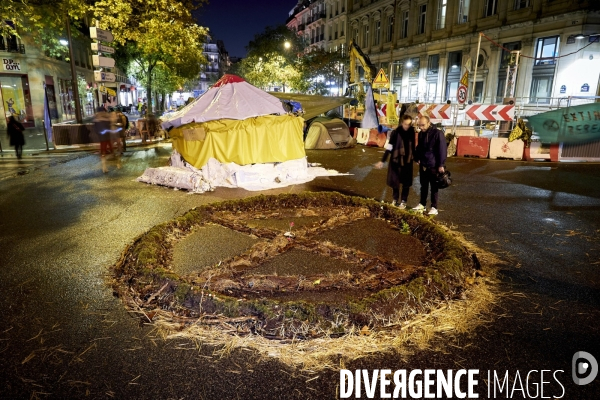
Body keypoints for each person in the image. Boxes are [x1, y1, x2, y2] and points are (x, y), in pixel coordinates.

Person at [374, 115, 416, 209]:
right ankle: (395, 199)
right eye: (405, 124)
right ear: (402, 123)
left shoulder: (411, 132)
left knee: (406, 183)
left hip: (407, 161)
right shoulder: (395, 132)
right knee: (395, 182)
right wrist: (382, 160)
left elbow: (413, 146)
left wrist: (416, 158)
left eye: (409, 124)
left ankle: (404, 201)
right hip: (396, 160)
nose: (407, 126)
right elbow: (389, 147)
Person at [413, 116, 447, 216]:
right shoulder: (421, 134)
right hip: (423, 164)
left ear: (429, 123)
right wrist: (417, 158)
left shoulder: (438, 134)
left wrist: (441, 164)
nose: (421, 128)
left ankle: (434, 207)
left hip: (434, 165)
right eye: (419, 125)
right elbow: (419, 147)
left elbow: (442, 149)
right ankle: (422, 204)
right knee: (423, 186)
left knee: (434, 187)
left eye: (423, 125)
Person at [94, 106, 120, 173]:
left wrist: (99, 134)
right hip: (108, 136)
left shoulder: (96, 119)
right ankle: (117, 164)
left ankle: (104, 167)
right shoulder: (107, 117)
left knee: (103, 151)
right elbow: (110, 126)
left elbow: (95, 129)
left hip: (101, 137)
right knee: (111, 150)